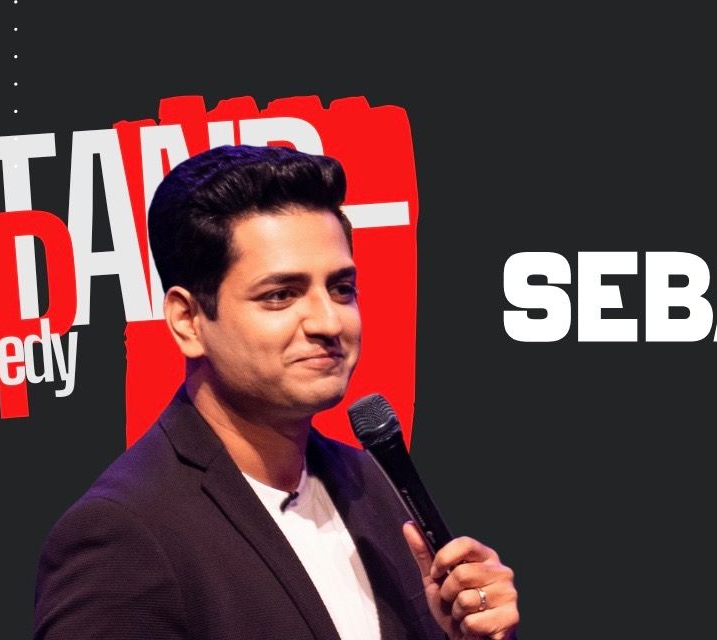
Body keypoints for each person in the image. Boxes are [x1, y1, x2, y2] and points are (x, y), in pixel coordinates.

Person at [34, 145, 519, 640]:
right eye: (280, 295)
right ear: (188, 320)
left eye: (341, 289)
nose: (329, 322)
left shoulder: (370, 483)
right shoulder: (124, 534)